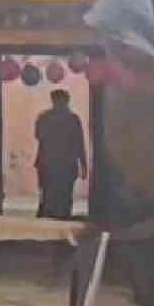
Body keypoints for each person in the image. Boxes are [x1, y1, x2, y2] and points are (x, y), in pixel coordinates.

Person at [35, 89, 88, 219]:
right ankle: (60, 217)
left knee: (50, 194)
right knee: (63, 195)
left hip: (49, 162)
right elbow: (79, 143)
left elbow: (38, 136)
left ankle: (50, 216)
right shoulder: (73, 119)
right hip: (64, 163)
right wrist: (83, 165)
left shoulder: (44, 117)